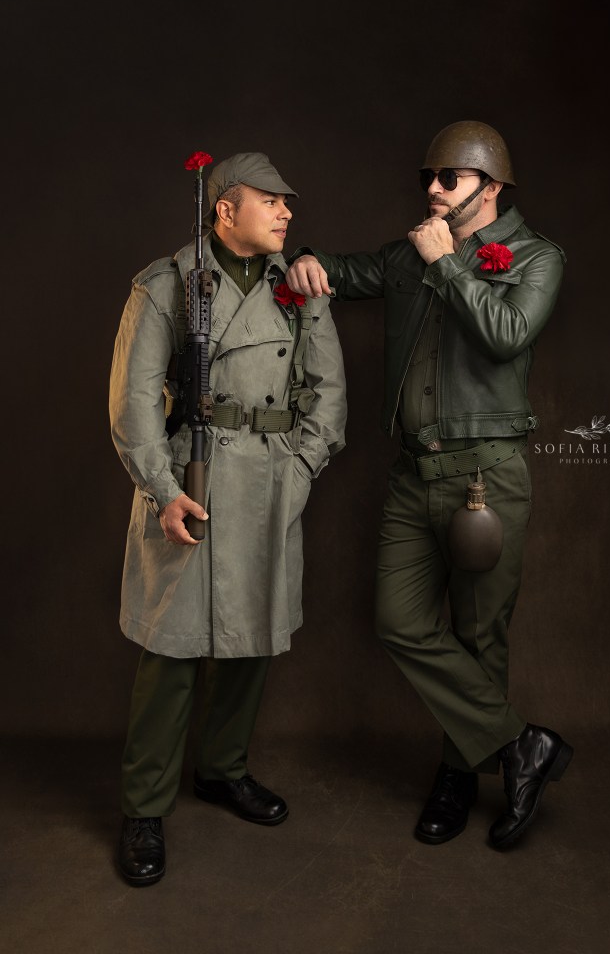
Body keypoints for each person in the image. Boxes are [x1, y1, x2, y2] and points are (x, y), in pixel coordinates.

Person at [286, 120, 572, 850]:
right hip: (414, 475)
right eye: (428, 179)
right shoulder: (411, 252)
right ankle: (516, 746)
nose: (434, 190)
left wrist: (449, 267)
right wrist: (309, 260)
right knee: (398, 622)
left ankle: (457, 773)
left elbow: (506, 334)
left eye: (449, 178)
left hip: (485, 478)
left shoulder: (536, 257)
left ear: (491, 186)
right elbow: (347, 272)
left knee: (480, 636)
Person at [109, 152, 347, 886]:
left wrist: (302, 468)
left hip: (271, 479)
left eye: (288, 204)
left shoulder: (297, 287)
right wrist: (161, 487)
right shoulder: (167, 284)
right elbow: (133, 401)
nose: (285, 213)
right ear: (223, 209)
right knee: (173, 649)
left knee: (250, 640)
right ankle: (144, 808)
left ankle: (222, 770)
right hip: (190, 475)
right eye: (269, 201)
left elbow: (326, 389)